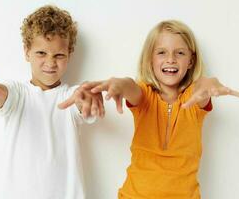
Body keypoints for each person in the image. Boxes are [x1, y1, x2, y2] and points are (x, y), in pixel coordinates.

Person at [65, 20, 239, 198]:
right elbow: (129, 86)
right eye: (162, 52)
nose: (170, 59)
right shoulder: (144, 96)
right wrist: (117, 84)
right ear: (150, 60)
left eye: (180, 53)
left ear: (190, 61)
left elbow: (203, 86)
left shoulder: (194, 100)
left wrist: (210, 83)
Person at [0, 5, 104, 199]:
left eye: (58, 55)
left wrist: (88, 97)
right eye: (41, 53)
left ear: (69, 55)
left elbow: (82, 101)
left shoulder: (71, 95)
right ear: (27, 52)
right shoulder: (18, 93)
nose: (50, 63)